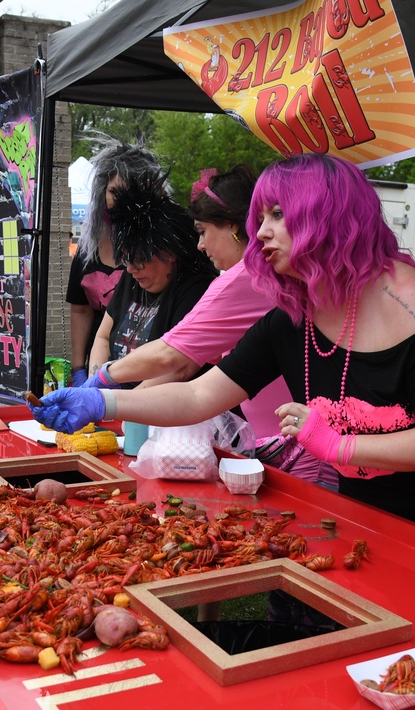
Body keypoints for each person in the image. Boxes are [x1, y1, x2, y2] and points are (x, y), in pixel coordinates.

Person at [34, 154, 415, 554]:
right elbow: (200, 395)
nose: (261, 231)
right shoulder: (292, 314)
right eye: (260, 217)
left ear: (328, 215)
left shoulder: (408, 297)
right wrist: (103, 402)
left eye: (278, 215)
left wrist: (340, 446)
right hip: (374, 521)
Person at [84, 166, 324, 484]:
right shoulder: (261, 276)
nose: (200, 244)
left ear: (234, 227)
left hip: (300, 449)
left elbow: (172, 356)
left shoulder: (249, 277)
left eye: (203, 230)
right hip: (284, 442)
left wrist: (104, 380)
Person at [87, 168, 217, 384]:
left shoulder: (197, 288)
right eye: (126, 259)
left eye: (139, 260)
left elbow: (178, 368)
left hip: (160, 407)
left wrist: (115, 406)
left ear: (169, 253)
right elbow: (102, 335)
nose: (130, 269)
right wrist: (95, 383)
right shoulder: (131, 277)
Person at [65, 136, 150, 385]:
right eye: (115, 192)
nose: (121, 201)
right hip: (96, 365)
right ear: (102, 192)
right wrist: (78, 369)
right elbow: (81, 309)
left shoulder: (160, 251)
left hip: (144, 371)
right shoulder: (88, 246)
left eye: (130, 192)